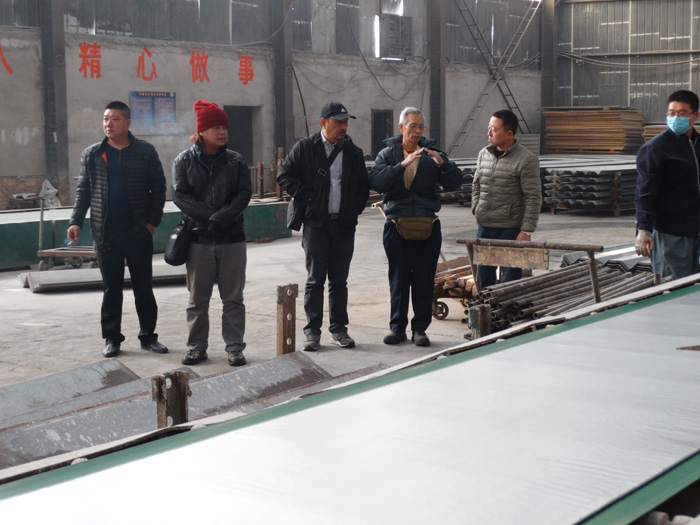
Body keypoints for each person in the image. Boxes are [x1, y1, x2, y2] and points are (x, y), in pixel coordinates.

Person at [68, 101, 167, 358]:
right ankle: (112, 338)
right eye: (105, 119)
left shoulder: (145, 151)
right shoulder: (93, 154)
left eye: (114, 119)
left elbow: (159, 188)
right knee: (111, 289)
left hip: (137, 231)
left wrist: (151, 224)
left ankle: (148, 336)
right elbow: (84, 190)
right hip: (106, 233)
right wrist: (76, 221)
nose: (108, 124)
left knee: (143, 287)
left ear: (127, 123)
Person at [276, 101, 369, 351]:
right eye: (338, 122)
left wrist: (353, 210)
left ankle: (339, 329)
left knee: (339, 281)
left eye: (345, 122)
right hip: (316, 224)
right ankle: (312, 332)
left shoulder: (353, 152)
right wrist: (308, 198)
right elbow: (284, 176)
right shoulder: (306, 147)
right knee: (315, 280)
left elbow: (363, 186)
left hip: (343, 225)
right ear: (323, 123)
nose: (343, 127)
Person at [369, 107, 462, 347]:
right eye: (413, 126)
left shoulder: (433, 154)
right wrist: (401, 165)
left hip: (427, 225)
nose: (418, 131)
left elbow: (454, 183)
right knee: (398, 278)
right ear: (401, 127)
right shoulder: (387, 154)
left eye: (421, 126)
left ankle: (420, 329)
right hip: (396, 224)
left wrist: (443, 164)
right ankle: (397, 328)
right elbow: (377, 182)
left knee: (423, 278)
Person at [172, 100, 252, 367]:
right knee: (197, 300)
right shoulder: (183, 161)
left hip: (232, 239)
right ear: (202, 130)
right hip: (199, 240)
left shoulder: (236, 161)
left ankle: (235, 348)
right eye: (217, 127)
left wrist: (224, 217)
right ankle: (196, 347)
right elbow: (180, 196)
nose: (223, 132)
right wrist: (210, 217)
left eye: (225, 127)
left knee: (233, 299)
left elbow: (243, 193)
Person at [471, 109, 542, 288]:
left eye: (494, 130)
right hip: (485, 226)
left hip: (510, 229)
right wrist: (476, 208)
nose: (489, 133)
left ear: (509, 134)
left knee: (510, 279)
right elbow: (476, 184)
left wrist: (526, 230)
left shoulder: (526, 159)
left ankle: (509, 305)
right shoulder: (483, 154)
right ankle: (487, 305)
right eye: (489, 128)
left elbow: (533, 196)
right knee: (484, 276)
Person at [635, 89, 700, 279]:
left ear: (695, 115)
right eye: (672, 113)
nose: (675, 118)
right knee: (673, 287)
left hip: (696, 230)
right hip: (671, 233)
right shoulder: (656, 149)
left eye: (682, 113)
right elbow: (644, 193)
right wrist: (644, 228)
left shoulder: (697, 145)